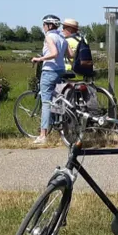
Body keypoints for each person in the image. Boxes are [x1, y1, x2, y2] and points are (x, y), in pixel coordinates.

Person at [31, 14, 68, 145]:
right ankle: (61, 128)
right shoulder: (62, 37)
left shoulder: (49, 37)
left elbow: (54, 53)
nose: (43, 27)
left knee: (46, 102)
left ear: (49, 25)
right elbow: (70, 54)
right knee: (58, 100)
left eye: (44, 25)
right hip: (61, 70)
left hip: (49, 71)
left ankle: (43, 135)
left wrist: (39, 59)